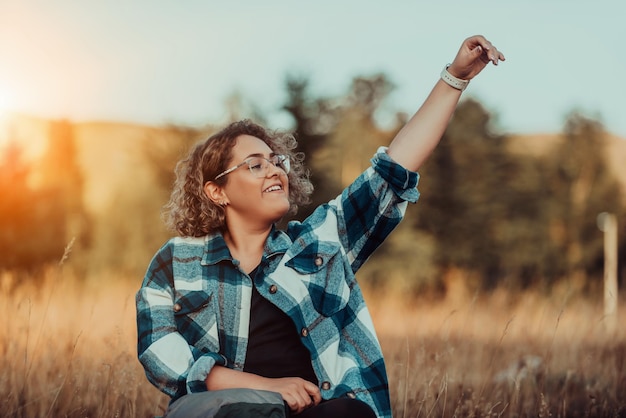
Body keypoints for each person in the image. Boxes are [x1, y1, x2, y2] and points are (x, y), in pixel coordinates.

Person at [136, 35, 505, 418]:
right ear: (217, 192)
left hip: (316, 412)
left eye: (276, 161)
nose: (275, 169)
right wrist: (268, 388)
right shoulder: (176, 261)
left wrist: (455, 78)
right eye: (255, 164)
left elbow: (393, 172)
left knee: (349, 415)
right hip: (231, 411)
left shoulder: (320, 241)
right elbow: (159, 353)